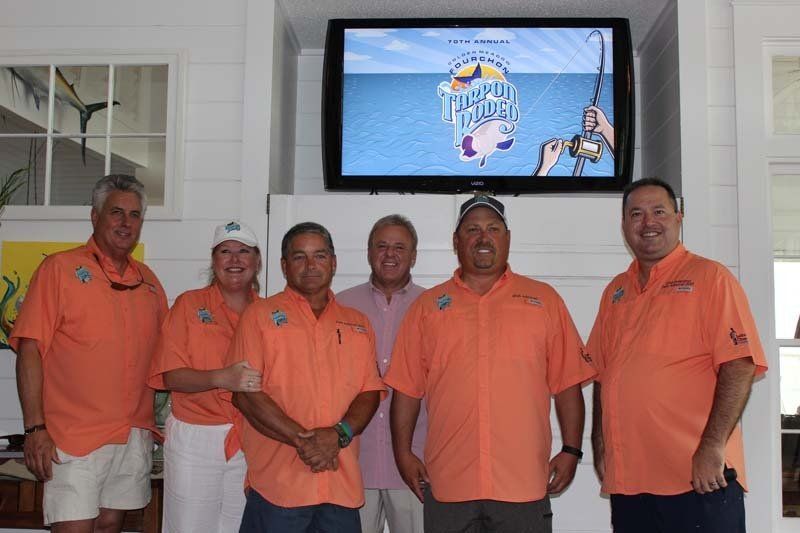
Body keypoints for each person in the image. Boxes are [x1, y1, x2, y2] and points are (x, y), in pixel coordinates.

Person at [385, 195, 595, 533]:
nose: (483, 238)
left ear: (507, 238)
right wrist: (402, 453)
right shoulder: (427, 308)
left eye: (493, 229)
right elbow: (406, 391)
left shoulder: (544, 301)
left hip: (522, 485)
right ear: (457, 242)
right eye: (472, 229)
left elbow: (568, 383)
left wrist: (571, 449)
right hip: (449, 484)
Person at [588, 178, 768, 533]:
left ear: (679, 217)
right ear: (623, 224)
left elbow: (740, 363)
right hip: (631, 483)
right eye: (636, 214)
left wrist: (712, 446)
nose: (647, 222)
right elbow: (602, 374)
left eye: (659, 211)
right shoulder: (616, 292)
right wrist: (600, 442)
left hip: (698, 477)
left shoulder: (710, 278)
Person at [10, 174, 168, 533]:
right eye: (116, 212)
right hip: (72, 434)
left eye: (134, 215)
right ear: (95, 217)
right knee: (74, 527)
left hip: (132, 433)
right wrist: (35, 428)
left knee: (111, 524)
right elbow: (30, 349)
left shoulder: (149, 282)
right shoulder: (59, 269)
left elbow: (171, 354)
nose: (126, 223)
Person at [225, 221, 385, 532]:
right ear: (284, 266)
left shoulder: (358, 323)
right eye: (299, 257)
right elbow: (245, 394)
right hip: (279, 487)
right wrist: (306, 442)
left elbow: (370, 391)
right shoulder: (259, 317)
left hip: (340, 484)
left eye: (320, 256)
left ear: (334, 262)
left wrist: (337, 436)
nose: (310, 265)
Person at [148, 221, 263, 533]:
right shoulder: (189, 304)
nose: (235, 259)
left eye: (244, 252)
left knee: (239, 528)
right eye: (225, 251)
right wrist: (221, 378)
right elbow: (170, 376)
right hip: (195, 438)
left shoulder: (269, 313)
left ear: (257, 261)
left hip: (251, 438)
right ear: (214, 261)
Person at [337, 214, 427, 533]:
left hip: (415, 464)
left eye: (400, 247)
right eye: (382, 246)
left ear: (414, 255)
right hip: (352, 465)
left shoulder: (434, 307)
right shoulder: (340, 306)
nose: (390, 254)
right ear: (368, 252)